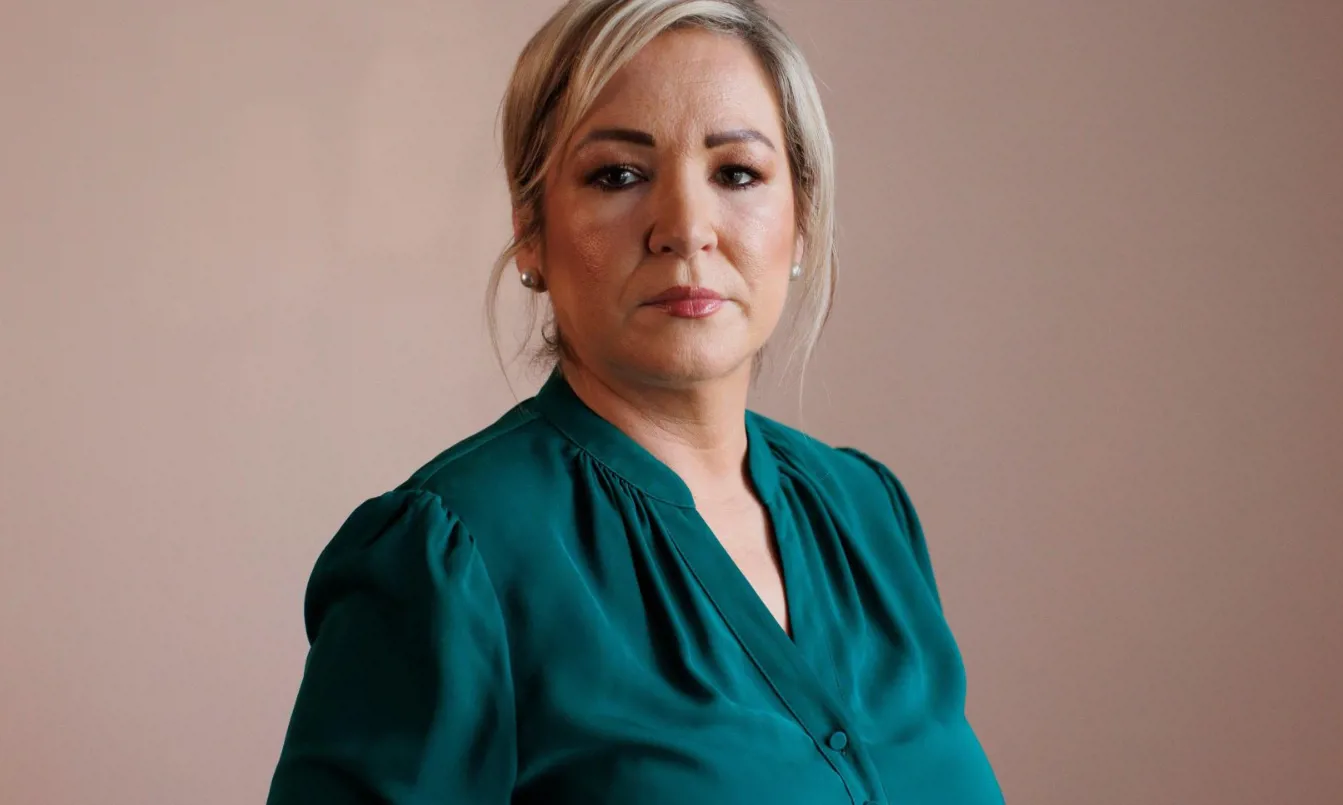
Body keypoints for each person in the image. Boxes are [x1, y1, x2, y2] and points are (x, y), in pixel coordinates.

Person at [265, 0, 1004, 802]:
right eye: (618, 175)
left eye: (736, 173)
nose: (685, 227)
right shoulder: (447, 560)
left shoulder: (869, 513)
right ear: (531, 230)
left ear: (801, 218)